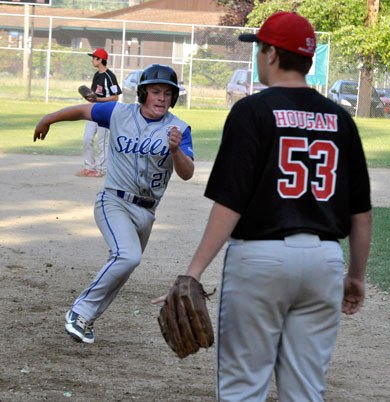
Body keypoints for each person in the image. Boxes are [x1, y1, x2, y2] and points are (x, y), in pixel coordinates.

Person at [153, 11, 372, 402]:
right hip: (324, 261)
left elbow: (230, 202)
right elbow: (361, 212)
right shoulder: (341, 119)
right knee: (305, 390)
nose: (257, 57)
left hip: (260, 260)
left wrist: (194, 271)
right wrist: (355, 275)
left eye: (259, 49)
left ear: (271, 54)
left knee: (242, 387)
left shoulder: (252, 111)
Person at [34, 64, 195, 344]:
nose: (162, 98)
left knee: (124, 266)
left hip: (147, 212)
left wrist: (176, 150)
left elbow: (187, 172)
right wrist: (49, 118)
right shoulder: (119, 113)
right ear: (143, 93)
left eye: (168, 94)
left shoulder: (179, 129)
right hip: (114, 201)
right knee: (127, 256)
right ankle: (79, 311)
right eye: (156, 92)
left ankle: (86, 320)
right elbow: (83, 111)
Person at [76, 48, 122, 178]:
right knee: (87, 139)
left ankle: (101, 170)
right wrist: (90, 98)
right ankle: (89, 167)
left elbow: (115, 97)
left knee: (102, 142)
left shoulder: (110, 76)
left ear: (100, 60)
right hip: (93, 109)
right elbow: (94, 94)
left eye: (94, 57)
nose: (92, 60)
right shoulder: (97, 75)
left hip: (106, 111)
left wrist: (98, 99)